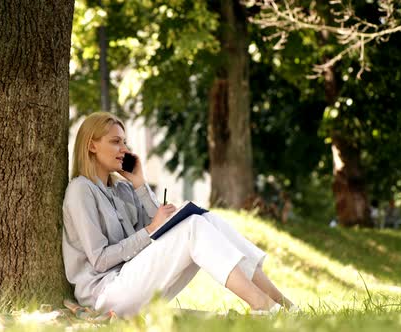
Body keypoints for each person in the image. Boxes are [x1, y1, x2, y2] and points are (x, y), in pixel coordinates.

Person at [62, 112, 298, 317]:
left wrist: (140, 184)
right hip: (105, 293)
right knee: (194, 226)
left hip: (135, 282)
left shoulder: (123, 188)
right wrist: (150, 229)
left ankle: (284, 305)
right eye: (115, 142)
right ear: (92, 145)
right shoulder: (81, 189)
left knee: (207, 219)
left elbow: (160, 224)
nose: (124, 150)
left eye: (124, 142)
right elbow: (101, 259)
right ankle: (263, 306)